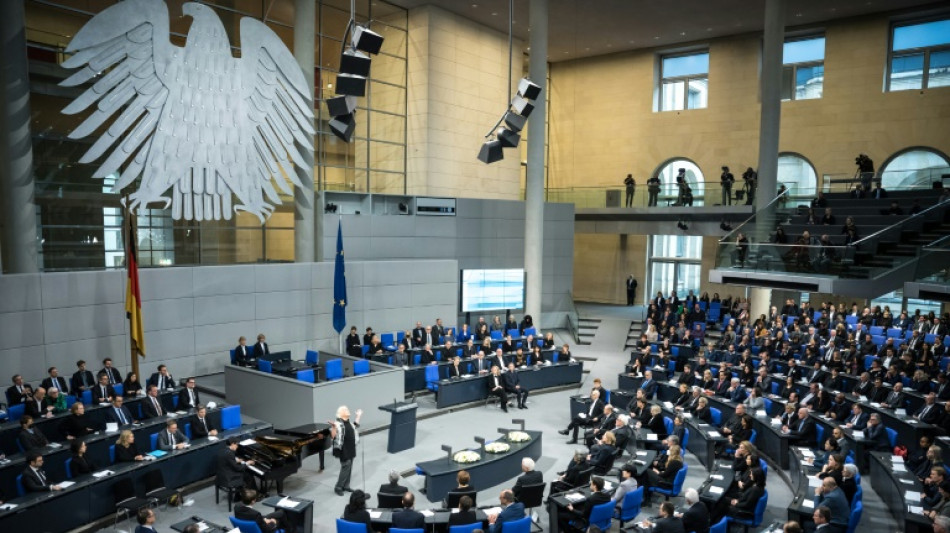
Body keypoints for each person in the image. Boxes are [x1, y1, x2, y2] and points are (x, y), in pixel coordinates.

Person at [330, 405, 362, 496]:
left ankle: (346, 486)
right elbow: (333, 436)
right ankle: (338, 487)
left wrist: (358, 415)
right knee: (346, 466)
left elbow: (355, 425)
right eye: (345, 409)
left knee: (349, 466)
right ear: (341, 413)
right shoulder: (338, 423)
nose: (348, 410)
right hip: (343, 449)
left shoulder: (349, 423)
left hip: (351, 448)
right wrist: (333, 427)